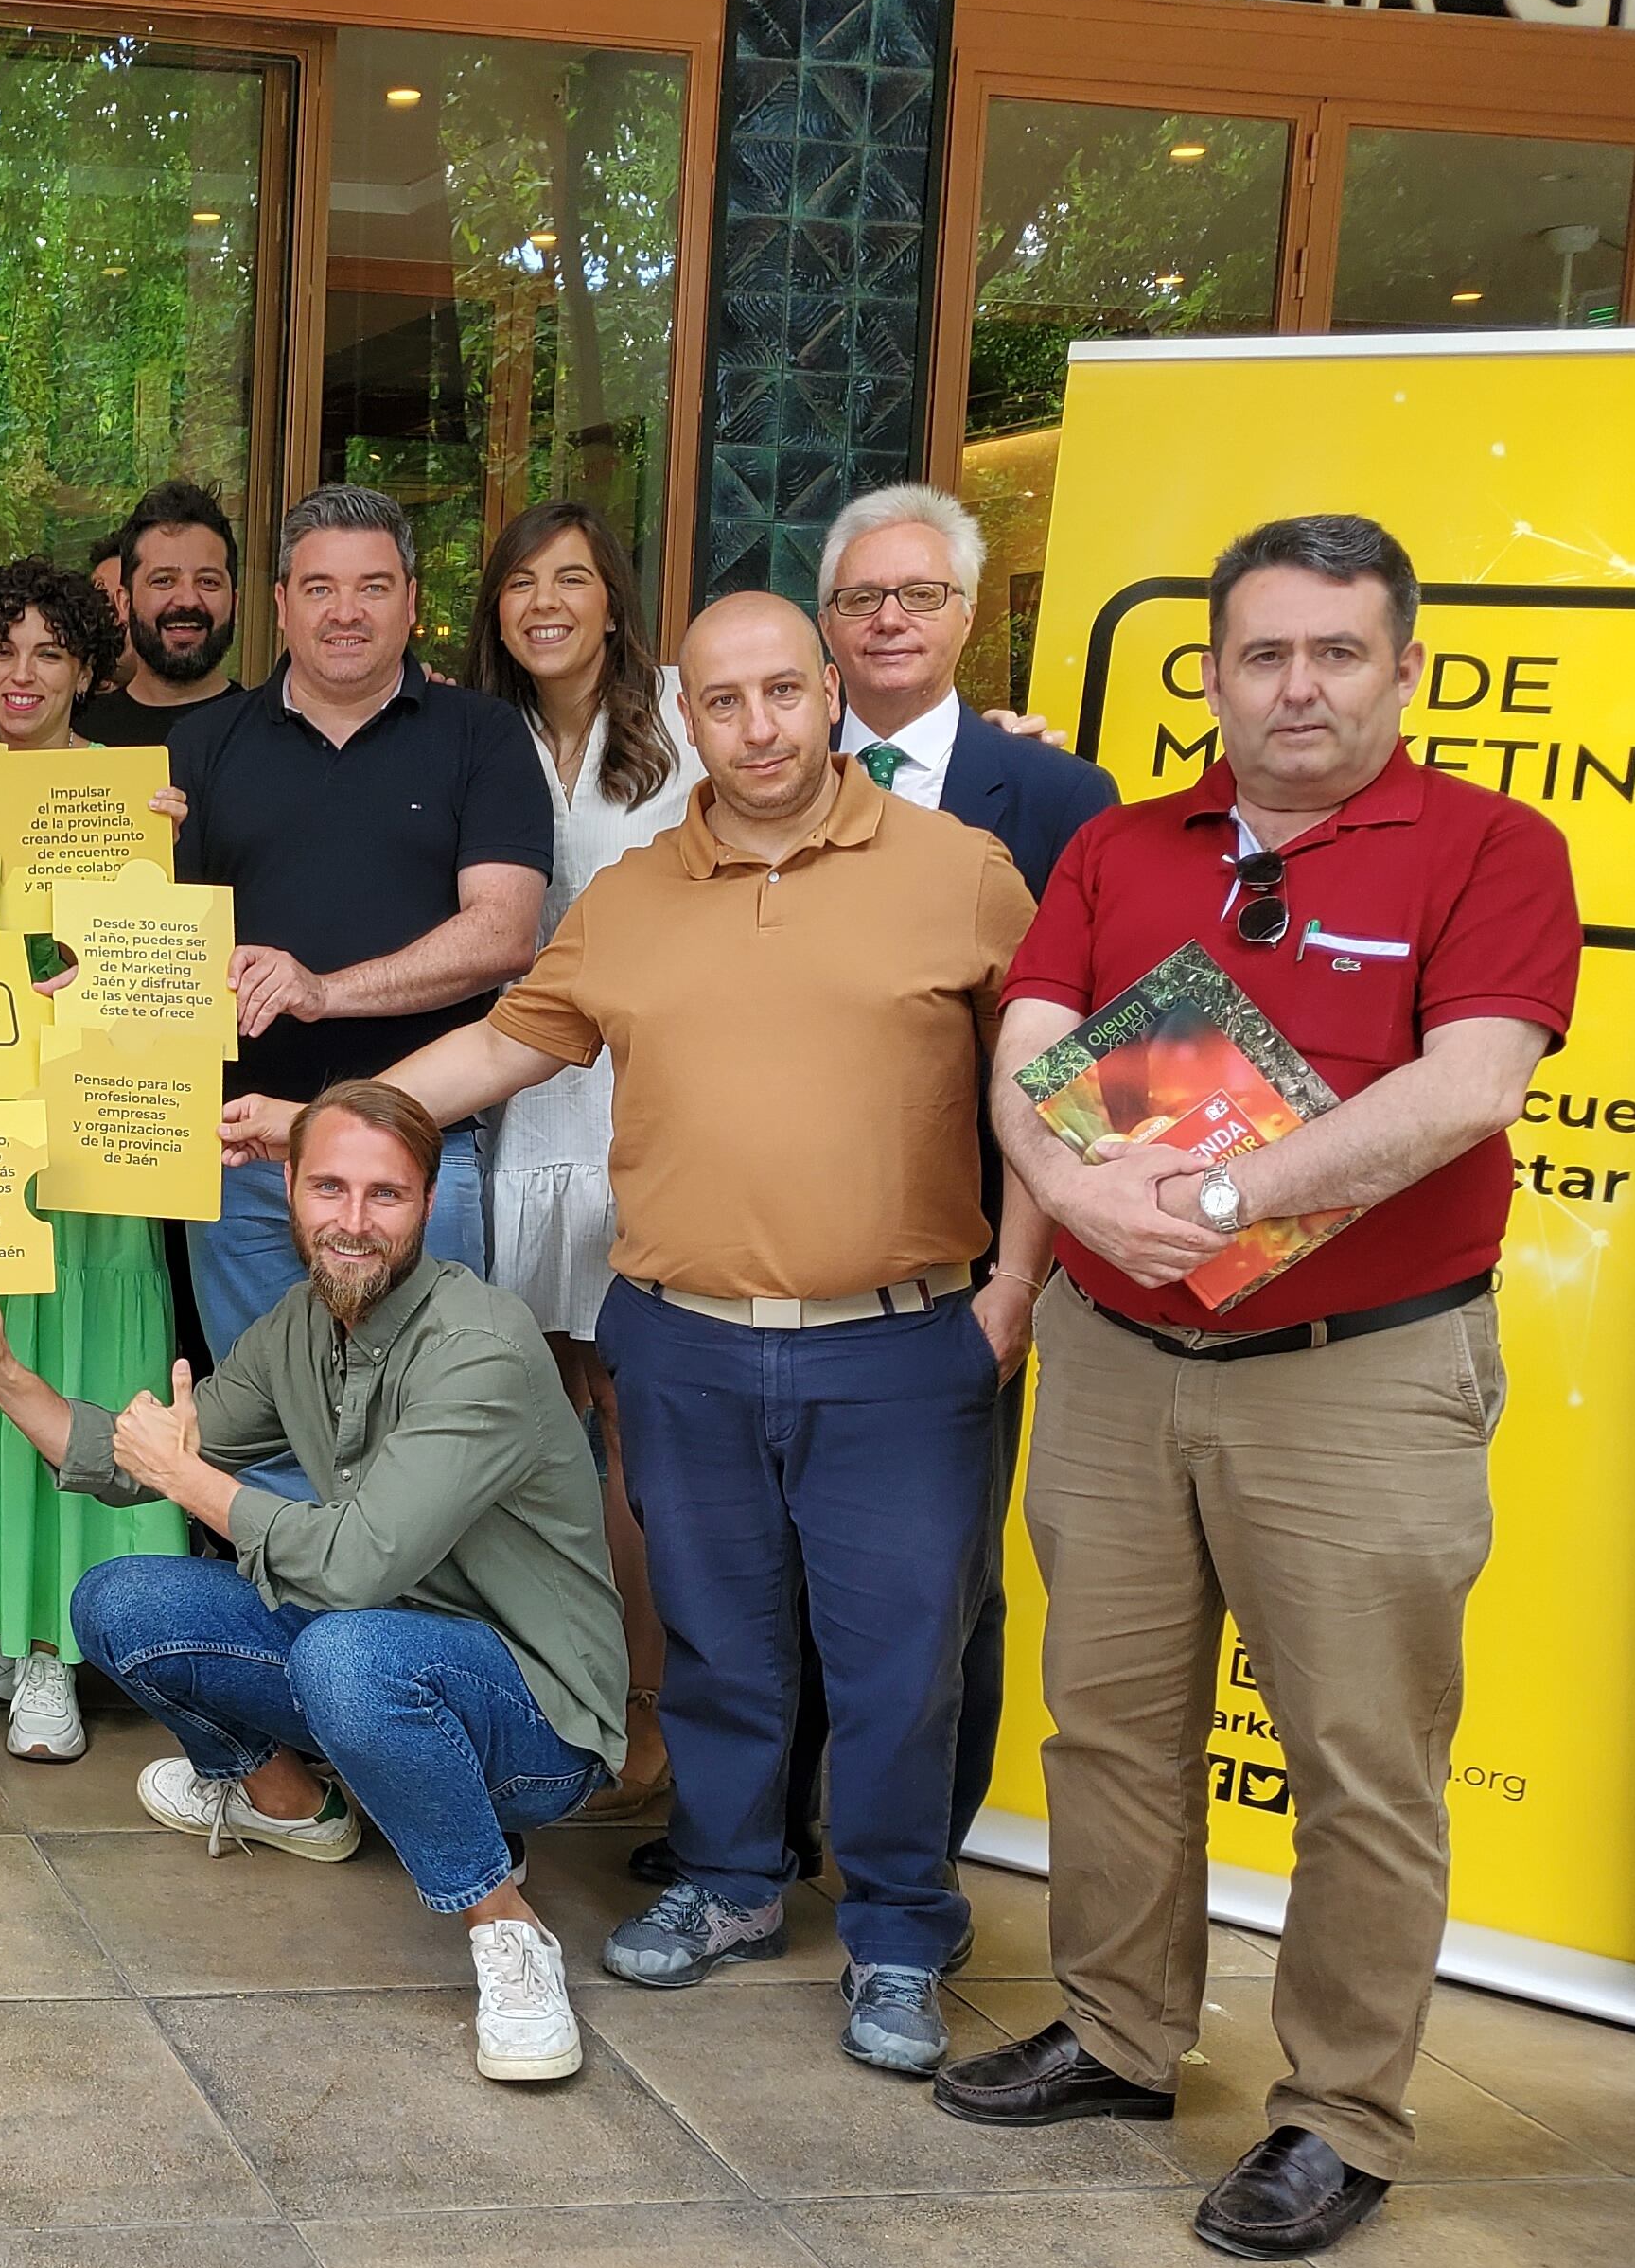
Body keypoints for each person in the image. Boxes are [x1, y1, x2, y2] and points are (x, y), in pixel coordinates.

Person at [228, 591, 1046, 2077]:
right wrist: (327, 1119)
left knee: (899, 1661)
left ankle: (902, 1933)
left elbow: (1048, 1088)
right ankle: (733, 1886)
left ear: (829, 694)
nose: (759, 727)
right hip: (683, 1330)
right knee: (723, 1643)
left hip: (899, 1338)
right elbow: (504, 1040)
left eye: (783, 692)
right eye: (724, 703)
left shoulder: (964, 874)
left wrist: (1018, 1288)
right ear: (691, 721)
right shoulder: (637, 896)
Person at [941, 514, 1579, 2264]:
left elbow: (1468, 1087)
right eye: (1261, 652)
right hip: (1117, 1362)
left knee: (1360, 1760)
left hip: (1353, 1377)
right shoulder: (1123, 843)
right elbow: (1023, 1051)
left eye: (1334, 651)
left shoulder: (1489, 847)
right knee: (1110, 1724)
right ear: (1211, 669)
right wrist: (1069, 1197)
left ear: (1403, 665)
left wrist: (1222, 1195)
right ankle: (1118, 2030)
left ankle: (1337, 2110)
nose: (1294, 685)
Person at [0, 1081, 626, 2083]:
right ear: (288, 1189)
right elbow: (137, 1460)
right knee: (120, 1602)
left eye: (384, 1195)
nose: (351, 1221)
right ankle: (291, 1805)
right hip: (381, 1650)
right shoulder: (300, 1325)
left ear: (429, 1204)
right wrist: (0, 1371)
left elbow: (351, 1567)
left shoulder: (482, 1344)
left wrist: (190, 1478)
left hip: (533, 1717)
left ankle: (505, 1923)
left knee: (349, 1655)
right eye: (328, 1187)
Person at [813, 483, 1122, 1862]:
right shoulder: (751, 758)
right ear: (827, 622)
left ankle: (915, 1862)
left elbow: (1085, 1066)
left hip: (961, 1267)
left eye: (918, 596)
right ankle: (762, 1836)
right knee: (772, 1575)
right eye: (861, 597)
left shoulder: (1057, 797)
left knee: (941, 1581)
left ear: (966, 613)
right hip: (774, 1252)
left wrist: (1019, 1281)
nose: (888, 620)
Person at [0, 559, 187, 1762]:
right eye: (2, 650)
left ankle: (56, 1649)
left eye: (49, 653)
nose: (21, 676)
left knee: (68, 1354)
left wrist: (148, 885)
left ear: (87, 670)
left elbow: (159, 986)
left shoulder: (128, 801)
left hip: (91, 1132)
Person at [170, 483, 549, 1363]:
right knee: (263, 1434)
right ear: (281, 604)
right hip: (245, 1157)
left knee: (424, 1426)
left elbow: (501, 935)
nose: (346, 612)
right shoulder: (202, 743)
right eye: (319, 588)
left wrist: (321, 991)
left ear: (413, 603)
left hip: (415, 1153)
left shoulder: (482, 736)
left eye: (374, 587)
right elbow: (157, 945)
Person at [463, 502, 696, 1824]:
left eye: (574, 578)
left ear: (615, 596)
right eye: (521, 584)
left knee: (637, 1422)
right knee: (552, 1420)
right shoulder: (477, 733)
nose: (546, 602)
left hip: (640, 1108)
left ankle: (651, 1710)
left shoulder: (685, 714)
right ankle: (569, 1695)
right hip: (514, 1110)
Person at [75, 479, 241, 748]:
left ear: (235, 602)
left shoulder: (271, 738)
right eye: (163, 580)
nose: (188, 600)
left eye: (208, 581)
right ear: (124, 603)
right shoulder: (77, 736)